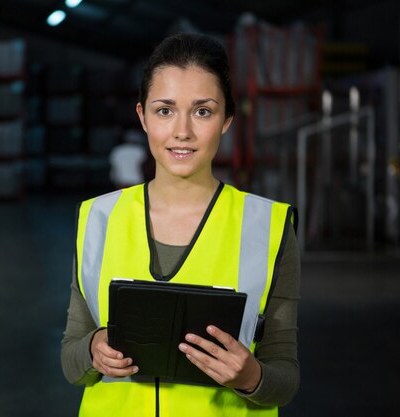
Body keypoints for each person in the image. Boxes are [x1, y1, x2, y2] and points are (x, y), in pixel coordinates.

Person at [60, 32, 300, 417]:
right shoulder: (97, 219)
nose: (182, 131)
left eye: (203, 111)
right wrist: (92, 349)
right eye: (164, 110)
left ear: (226, 120)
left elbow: (285, 376)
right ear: (142, 117)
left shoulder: (267, 226)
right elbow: (72, 361)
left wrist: (251, 377)